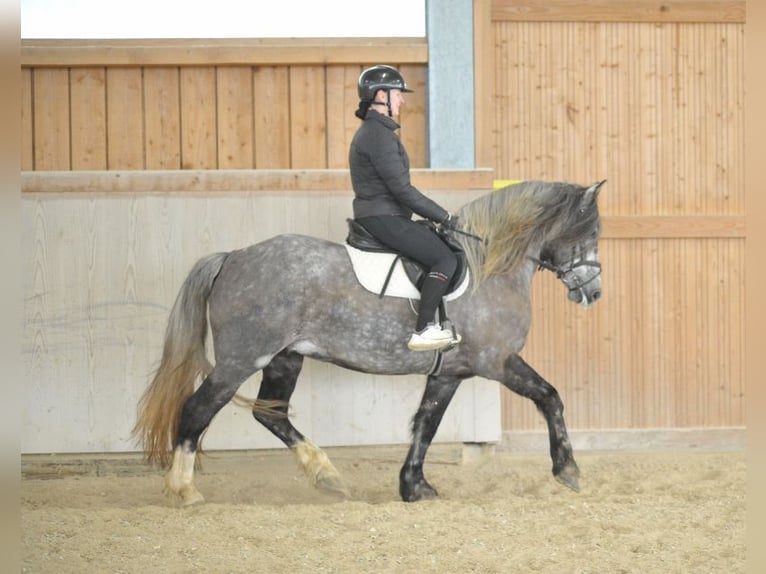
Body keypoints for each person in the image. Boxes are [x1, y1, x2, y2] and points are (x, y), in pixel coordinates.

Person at [349, 64, 461, 352]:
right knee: (445, 259)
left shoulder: (378, 133)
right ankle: (423, 329)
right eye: (398, 94)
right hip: (383, 216)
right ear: (381, 95)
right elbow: (402, 190)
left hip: (385, 213)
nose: (403, 100)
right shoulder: (378, 135)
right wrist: (444, 216)